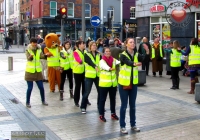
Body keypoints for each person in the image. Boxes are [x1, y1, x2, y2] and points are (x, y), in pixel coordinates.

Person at [118, 38, 142, 134]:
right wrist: (135, 63)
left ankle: (133, 125)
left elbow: (144, 58)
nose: (133, 44)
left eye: (133, 42)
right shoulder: (122, 55)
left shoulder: (136, 54)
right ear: (126, 44)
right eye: (130, 42)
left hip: (133, 83)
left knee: (133, 105)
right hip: (124, 83)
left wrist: (148, 51)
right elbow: (128, 62)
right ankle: (122, 126)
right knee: (124, 105)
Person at [25, 38, 48, 108]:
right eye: (33, 43)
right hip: (30, 71)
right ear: (31, 43)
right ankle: (27, 102)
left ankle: (43, 100)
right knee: (30, 88)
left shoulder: (39, 49)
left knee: (41, 87)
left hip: (38, 71)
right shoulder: (28, 49)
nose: (35, 44)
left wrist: (46, 55)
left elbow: (41, 56)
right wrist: (30, 57)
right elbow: (28, 58)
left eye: (35, 43)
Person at [98, 47, 120, 122]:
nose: (108, 52)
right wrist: (110, 68)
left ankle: (113, 113)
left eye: (109, 51)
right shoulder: (101, 61)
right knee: (102, 100)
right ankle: (101, 115)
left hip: (113, 84)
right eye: (106, 51)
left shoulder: (113, 60)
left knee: (113, 99)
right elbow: (105, 67)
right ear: (104, 53)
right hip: (104, 84)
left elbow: (120, 62)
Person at [80, 41, 101, 113]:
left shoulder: (98, 54)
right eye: (93, 45)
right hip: (89, 76)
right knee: (87, 92)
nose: (94, 47)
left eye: (95, 45)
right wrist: (95, 66)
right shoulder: (87, 54)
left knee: (100, 92)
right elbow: (90, 62)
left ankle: (99, 106)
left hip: (97, 75)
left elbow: (102, 62)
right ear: (90, 46)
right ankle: (83, 107)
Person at [73, 40, 86, 107]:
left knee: (85, 87)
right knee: (78, 87)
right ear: (79, 45)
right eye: (83, 44)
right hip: (77, 72)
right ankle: (76, 101)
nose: (84, 45)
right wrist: (85, 62)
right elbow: (79, 61)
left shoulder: (85, 51)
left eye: (84, 44)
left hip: (84, 72)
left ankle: (85, 100)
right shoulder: (76, 52)